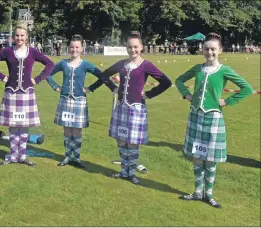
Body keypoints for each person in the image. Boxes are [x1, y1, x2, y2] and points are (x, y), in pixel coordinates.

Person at [175, 33, 253, 208]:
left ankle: (208, 195)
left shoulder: (224, 70)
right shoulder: (197, 68)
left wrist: (227, 101)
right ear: (202, 50)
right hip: (196, 115)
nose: (209, 52)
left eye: (213, 49)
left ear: (220, 50)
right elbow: (179, 80)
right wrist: (187, 95)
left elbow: (246, 88)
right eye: (206, 49)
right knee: (197, 156)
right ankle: (197, 192)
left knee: (210, 159)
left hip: (213, 117)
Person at [102, 31, 172, 185]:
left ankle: (131, 173)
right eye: (129, 47)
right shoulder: (121, 64)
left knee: (132, 142)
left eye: (135, 47)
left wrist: (149, 94)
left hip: (136, 108)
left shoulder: (146, 65)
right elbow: (103, 75)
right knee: (121, 140)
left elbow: (166, 82)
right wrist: (113, 87)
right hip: (121, 107)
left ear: (141, 47)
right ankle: (123, 170)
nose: (132, 50)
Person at [46, 34, 116, 168]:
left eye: (77, 47)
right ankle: (67, 157)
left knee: (77, 131)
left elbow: (102, 76)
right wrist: (55, 87)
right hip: (65, 100)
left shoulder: (85, 64)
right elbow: (48, 73)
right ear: (69, 48)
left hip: (79, 100)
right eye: (72, 47)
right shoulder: (63, 63)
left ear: (81, 48)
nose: (74, 49)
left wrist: (91, 88)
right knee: (67, 130)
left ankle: (76, 158)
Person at [0, 21, 54, 166]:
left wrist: (37, 79)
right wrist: (3, 77)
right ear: (13, 37)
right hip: (11, 93)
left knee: (23, 125)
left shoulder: (33, 52)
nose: (19, 38)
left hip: (26, 93)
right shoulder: (7, 51)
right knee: (12, 125)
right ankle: (12, 155)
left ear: (27, 37)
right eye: (17, 35)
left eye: (22, 35)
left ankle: (22, 156)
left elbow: (50, 64)